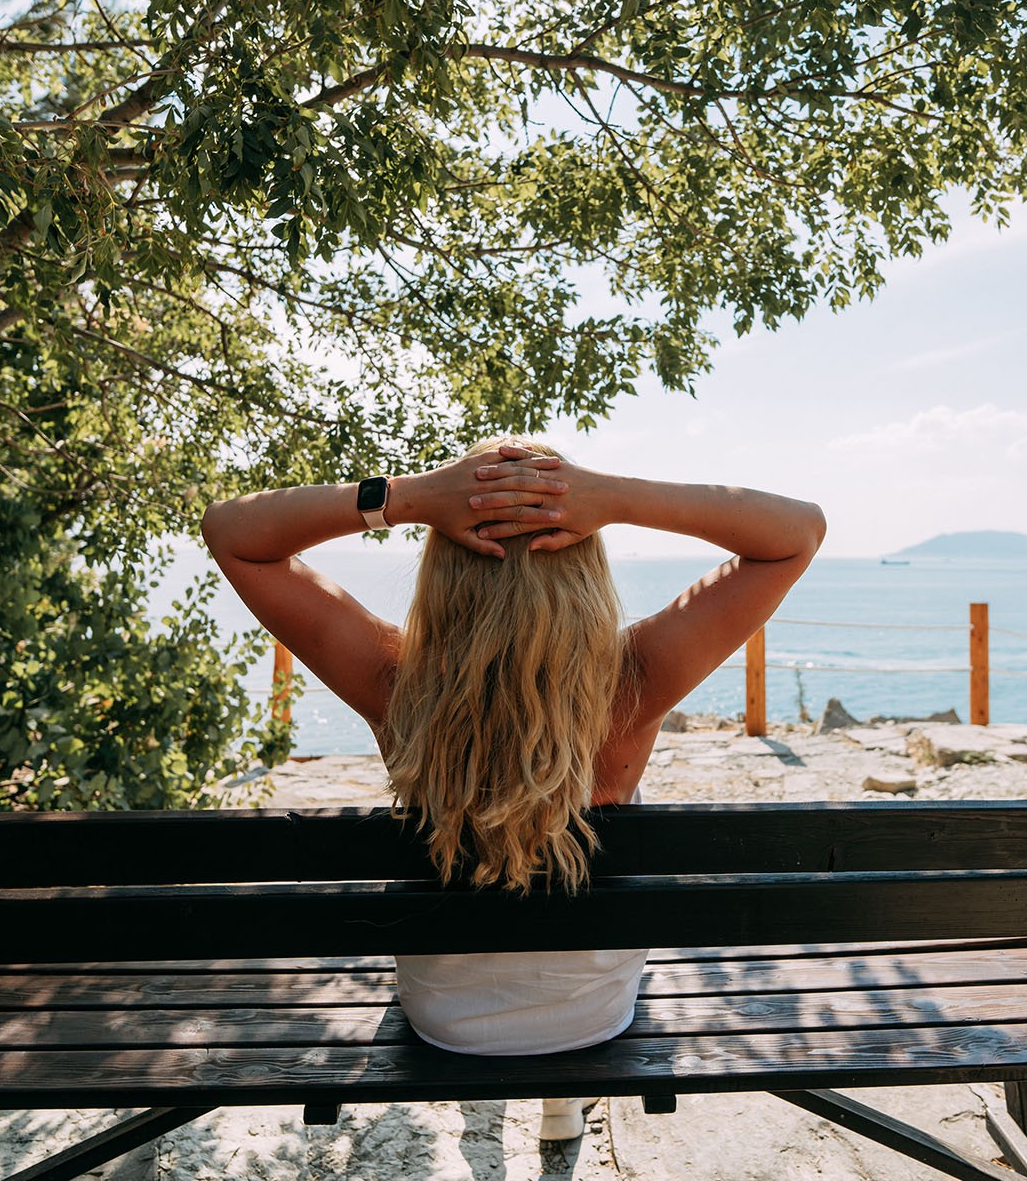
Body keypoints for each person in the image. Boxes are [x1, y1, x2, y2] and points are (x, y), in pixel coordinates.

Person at [201, 439, 824, 1138]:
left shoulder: (393, 683)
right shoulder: (632, 679)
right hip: (592, 1016)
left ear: (443, 564)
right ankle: (561, 1101)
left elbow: (231, 533)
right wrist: (613, 497)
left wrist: (407, 498)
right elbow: (796, 533)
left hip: (445, 1022)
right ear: (584, 560)